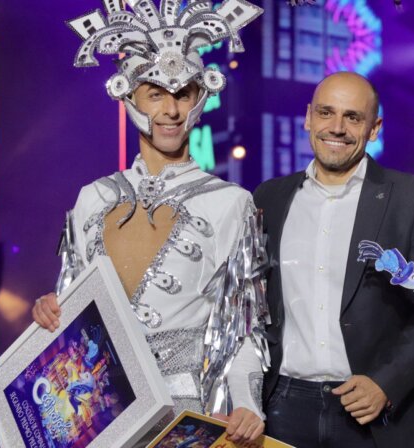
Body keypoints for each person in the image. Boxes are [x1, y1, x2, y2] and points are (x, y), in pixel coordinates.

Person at [30, 0, 267, 443]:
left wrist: (248, 405)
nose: (170, 110)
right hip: (96, 410)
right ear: (128, 95)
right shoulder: (92, 197)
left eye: (183, 94)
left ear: (202, 96)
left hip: (181, 414)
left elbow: (243, 328)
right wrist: (52, 311)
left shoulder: (231, 203)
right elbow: (76, 310)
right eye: (155, 92)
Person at [253, 71, 414, 448]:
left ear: (374, 128)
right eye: (326, 113)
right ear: (309, 118)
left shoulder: (412, 197)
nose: (337, 128)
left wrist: (387, 383)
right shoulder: (269, 198)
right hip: (283, 408)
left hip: (376, 413)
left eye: (353, 117)